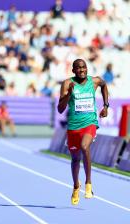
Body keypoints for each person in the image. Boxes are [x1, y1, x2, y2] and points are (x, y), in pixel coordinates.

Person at [57, 59, 109, 205]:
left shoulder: (95, 81)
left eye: (83, 67)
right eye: (78, 68)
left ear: (87, 68)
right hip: (73, 126)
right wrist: (69, 94)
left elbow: (104, 86)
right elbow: (60, 109)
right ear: (73, 70)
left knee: (85, 147)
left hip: (90, 123)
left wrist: (106, 106)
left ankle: (88, 184)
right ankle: (75, 186)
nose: (81, 70)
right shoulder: (67, 84)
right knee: (75, 160)